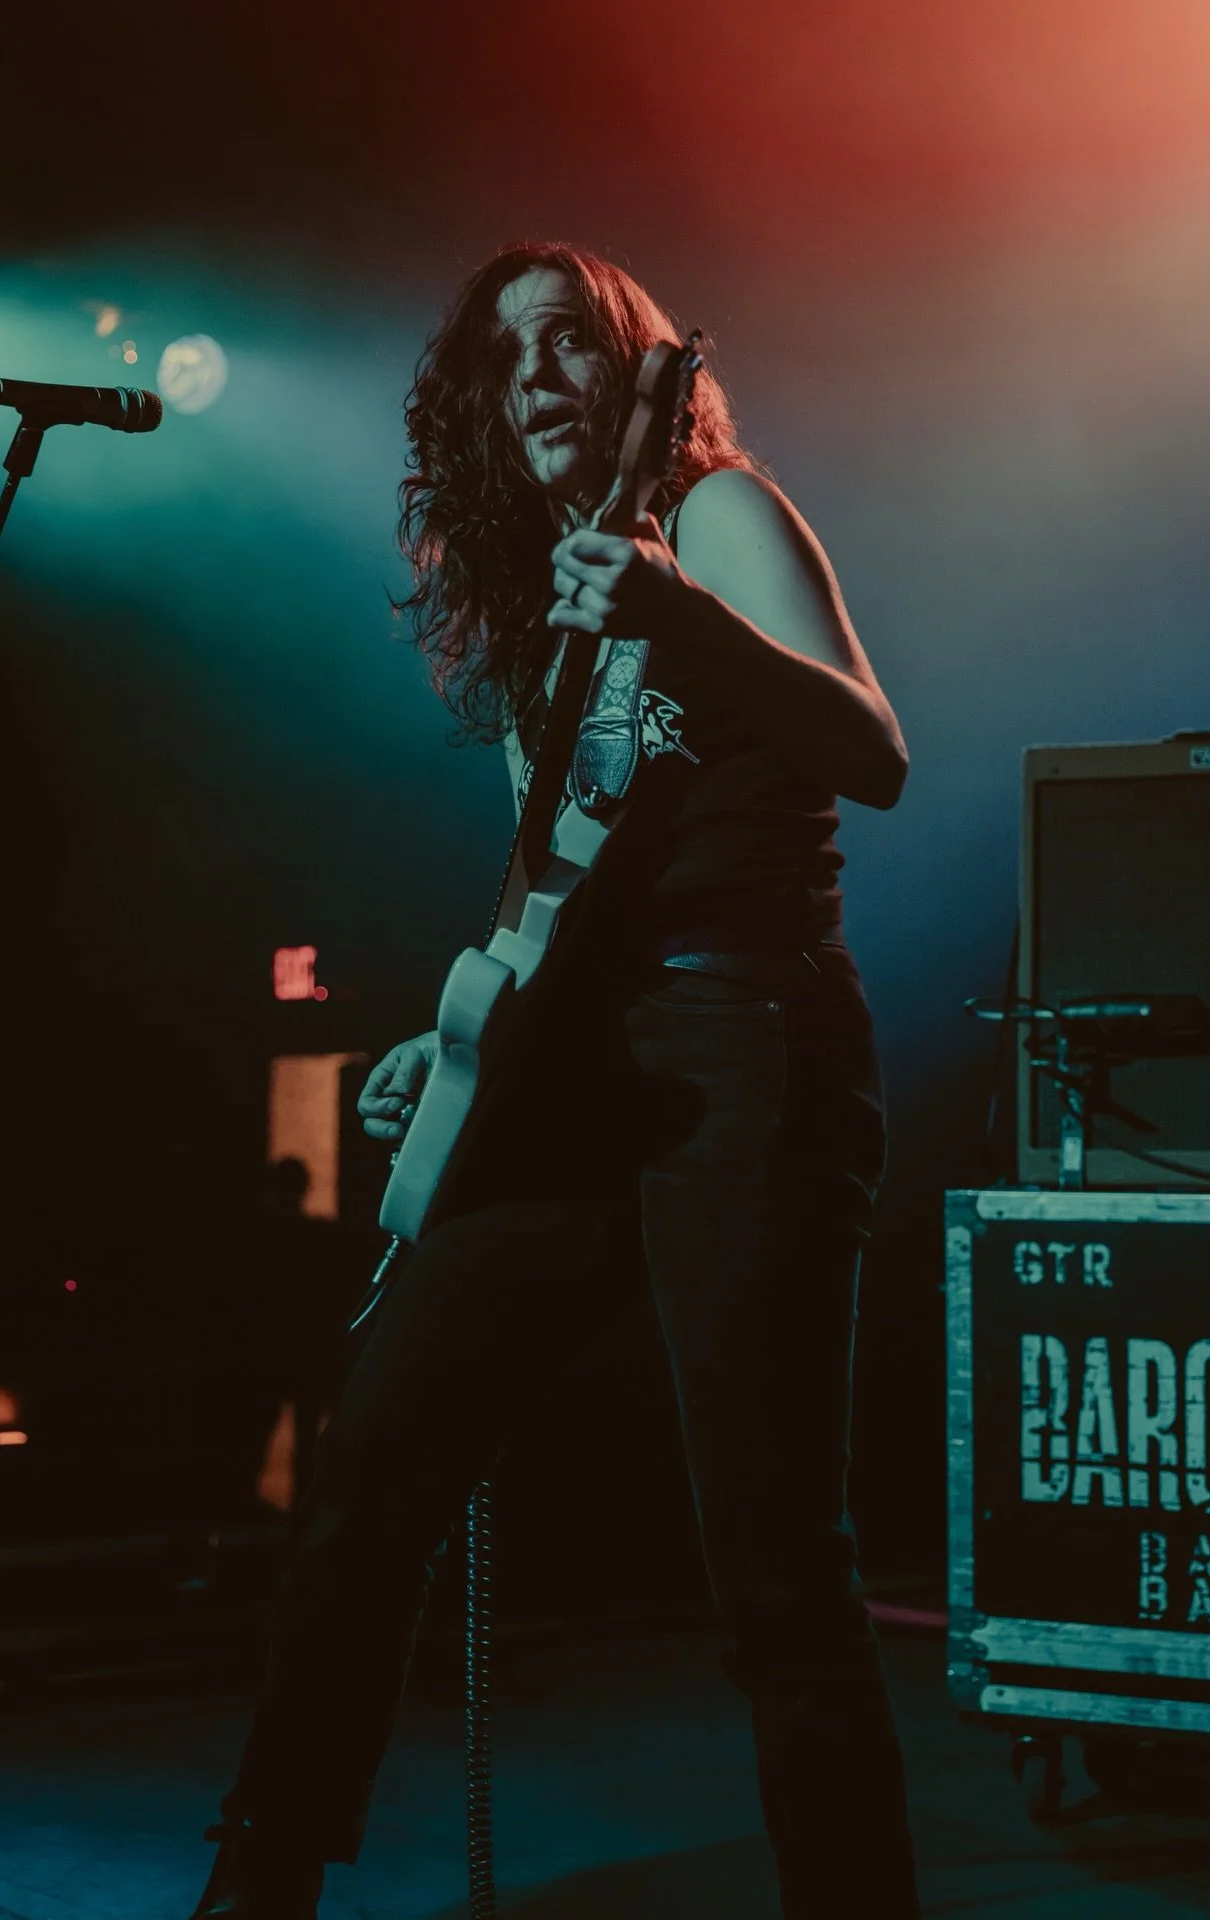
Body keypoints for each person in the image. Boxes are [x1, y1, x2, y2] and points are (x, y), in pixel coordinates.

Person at [188, 242, 920, 1919]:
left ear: (635, 365)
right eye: (502, 353)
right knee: (371, 1466)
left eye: (569, 342)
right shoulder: (540, 609)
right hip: (585, 1068)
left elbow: (872, 751)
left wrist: (681, 613)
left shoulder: (720, 515)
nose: (534, 375)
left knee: (770, 1562)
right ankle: (260, 1884)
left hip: (747, 1033)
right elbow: (562, 886)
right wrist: (448, 1050)